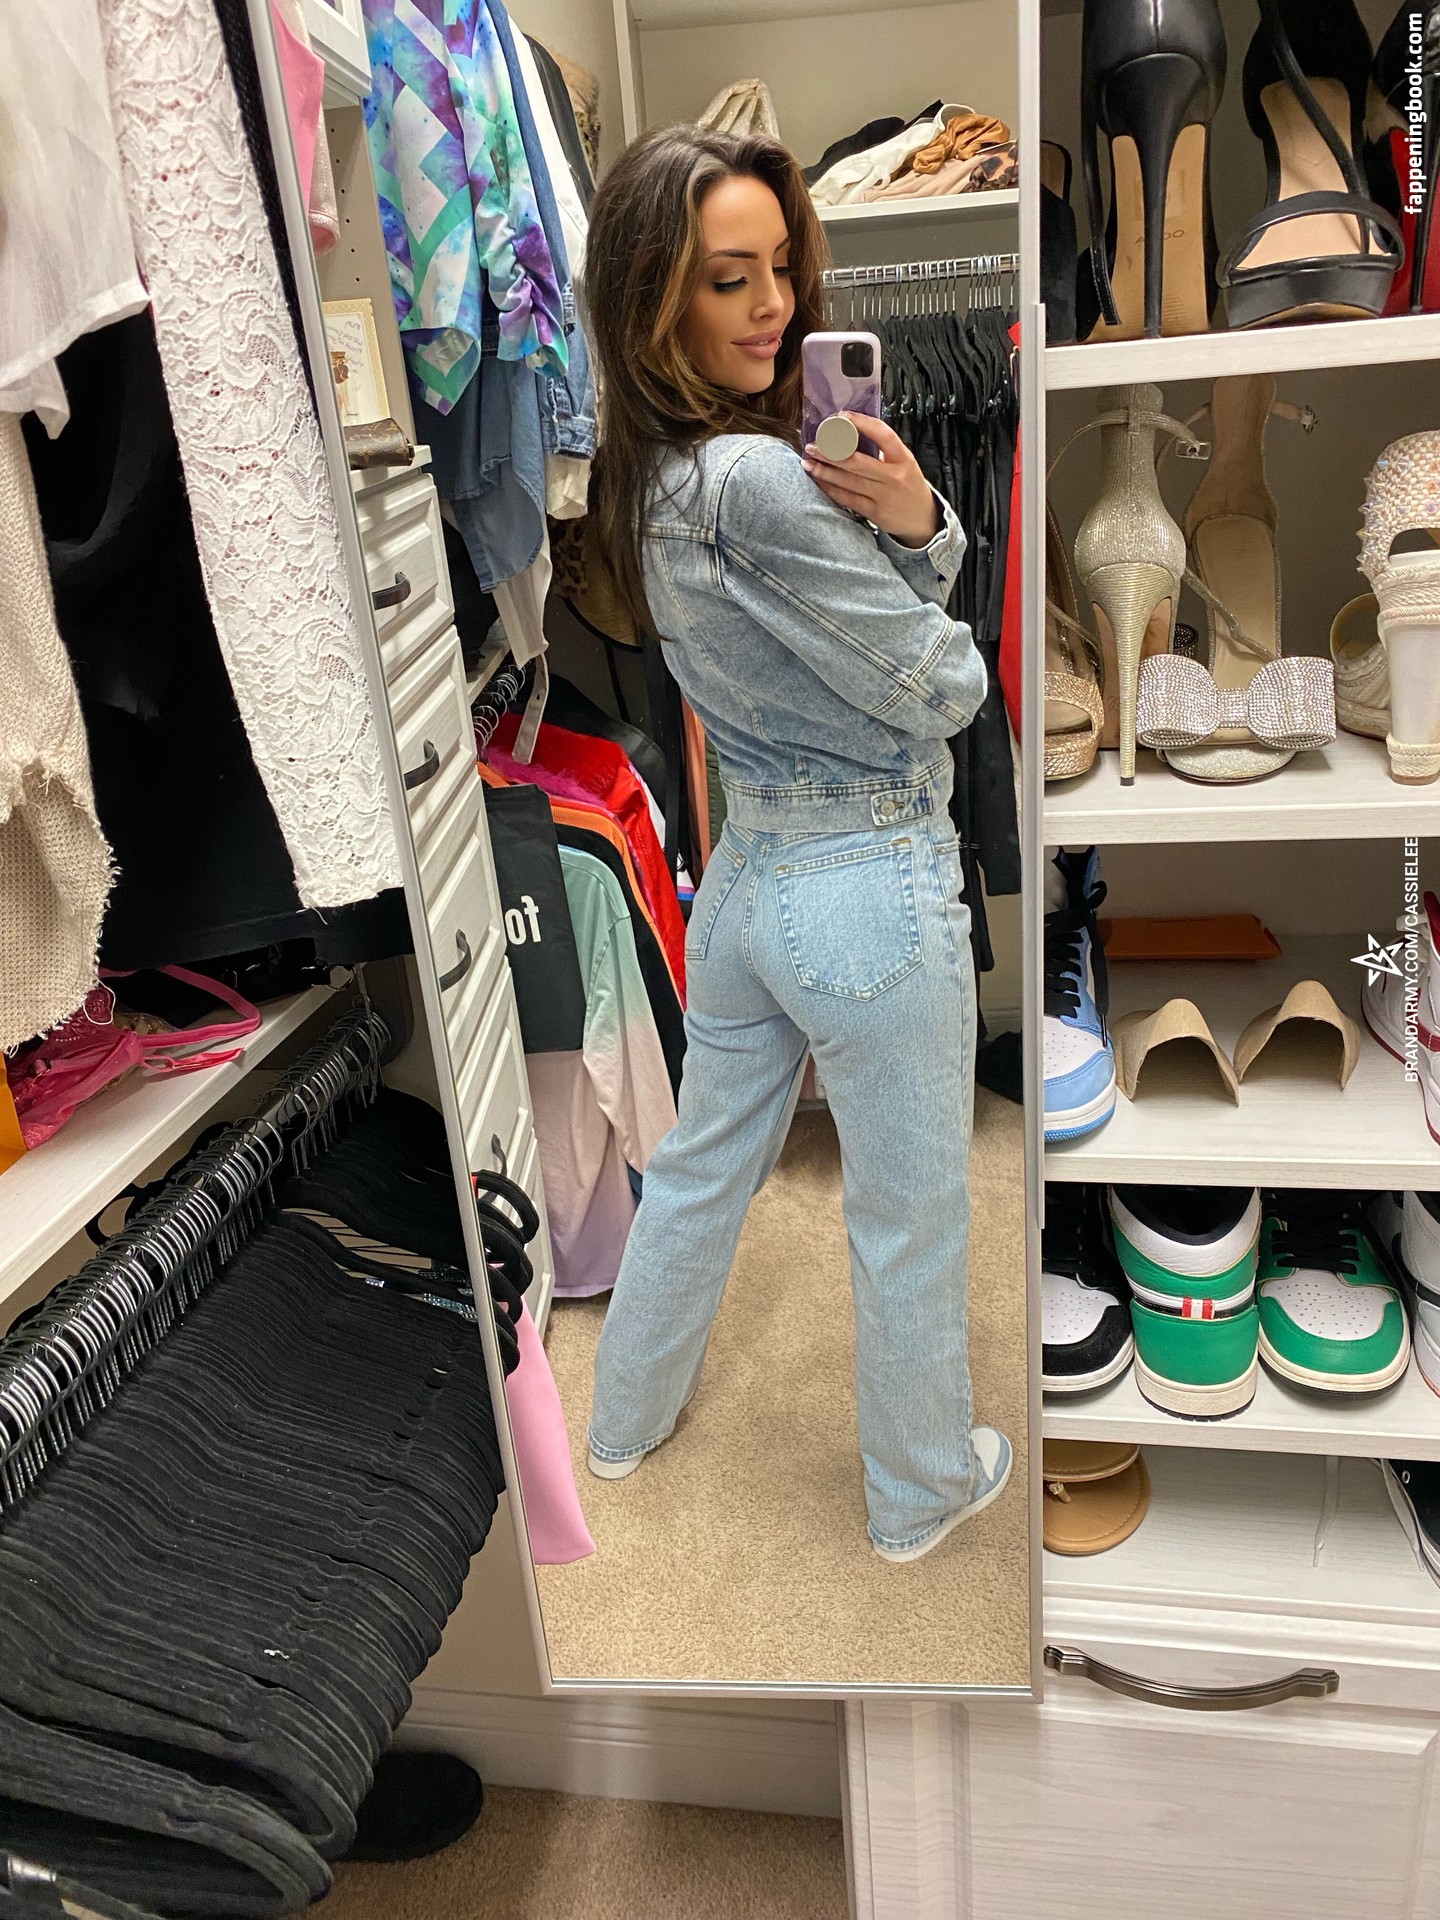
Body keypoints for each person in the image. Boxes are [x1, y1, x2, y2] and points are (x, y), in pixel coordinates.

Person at [581, 124, 1011, 1563]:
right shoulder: (757, 484)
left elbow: (832, 639)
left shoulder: (652, 476)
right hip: (869, 882)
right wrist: (932, 547)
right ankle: (920, 1491)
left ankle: (621, 1423)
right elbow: (944, 686)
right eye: (728, 279)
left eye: (780, 268)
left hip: (748, 879)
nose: (772, 306)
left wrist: (916, 519)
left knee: (704, 1164)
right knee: (909, 1213)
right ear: (655, 298)